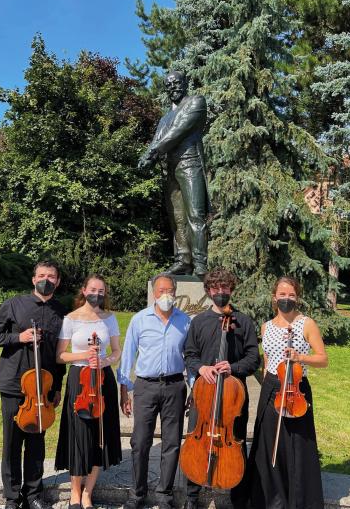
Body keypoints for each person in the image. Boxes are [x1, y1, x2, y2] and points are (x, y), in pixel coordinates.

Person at [0, 261, 66, 509]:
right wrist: (18, 337)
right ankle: (12, 497)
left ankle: (33, 495)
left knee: (36, 442)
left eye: (51, 277)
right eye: (42, 275)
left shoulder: (61, 312)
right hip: (12, 383)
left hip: (42, 388)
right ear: (33, 280)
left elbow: (57, 354)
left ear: (58, 282)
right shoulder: (14, 304)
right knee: (11, 443)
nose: (46, 280)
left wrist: (57, 386)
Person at [247, 276, 328, 509]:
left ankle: (298, 501)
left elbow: (323, 359)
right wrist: (267, 385)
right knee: (270, 445)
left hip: (296, 389)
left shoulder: (306, 324)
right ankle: (271, 499)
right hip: (272, 387)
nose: (286, 299)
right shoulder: (267, 326)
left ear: (297, 297)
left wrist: (300, 357)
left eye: (291, 295)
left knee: (297, 446)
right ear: (275, 298)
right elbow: (267, 361)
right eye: (282, 295)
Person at [183, 267, 260, 509]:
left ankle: (239, 498)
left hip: (232, 399)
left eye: (224, 288)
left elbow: (253, 358)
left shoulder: (244, 321)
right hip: (203, 395)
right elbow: (190, 354)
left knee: (236, 442)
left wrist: (233, 367)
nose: (220, 292)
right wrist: (201, 368)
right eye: (215, 288)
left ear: (231, 289)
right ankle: (191, 496)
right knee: (196, 440)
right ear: (208, 291)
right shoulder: (199, 322)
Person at [118, 274, 191, 509]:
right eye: (161, 290)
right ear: (153, 293)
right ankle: (137, 493)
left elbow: (189, 357)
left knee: (172, 443)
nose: (166, 295)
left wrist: (193, 386)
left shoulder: (185, 321)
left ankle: (164, 495)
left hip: (174, 386)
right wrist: (124, 390)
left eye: (170, 290)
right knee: (140, 442)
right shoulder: (140, 320)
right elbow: (127, 355)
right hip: (145, 386)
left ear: (175, 292)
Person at [55, 275, 123, 509]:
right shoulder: (71, 319)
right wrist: (86, 355)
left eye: (102, 291)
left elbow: (116, 352)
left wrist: (106, 361)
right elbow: (60, 355)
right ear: (84, 291)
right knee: (80, 436)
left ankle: (87, 493)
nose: (97, 294)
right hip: (80, 380)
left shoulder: (110, 319)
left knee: (99, 437)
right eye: (93, 290)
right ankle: (75, 492)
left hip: (103, 380)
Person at [138, 70, 210, 277]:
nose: (173, 87)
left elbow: (176, 132)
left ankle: (200, 264)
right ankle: (183, 259)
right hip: (171, 169)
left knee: (195, 216)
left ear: (185, 83)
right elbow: (157, 139)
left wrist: (152, 153)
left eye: (177, 83)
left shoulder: (196, 102)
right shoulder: (165, 117)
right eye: (169, 85)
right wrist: (145, 158)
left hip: (190, 164)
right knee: (176, 218)